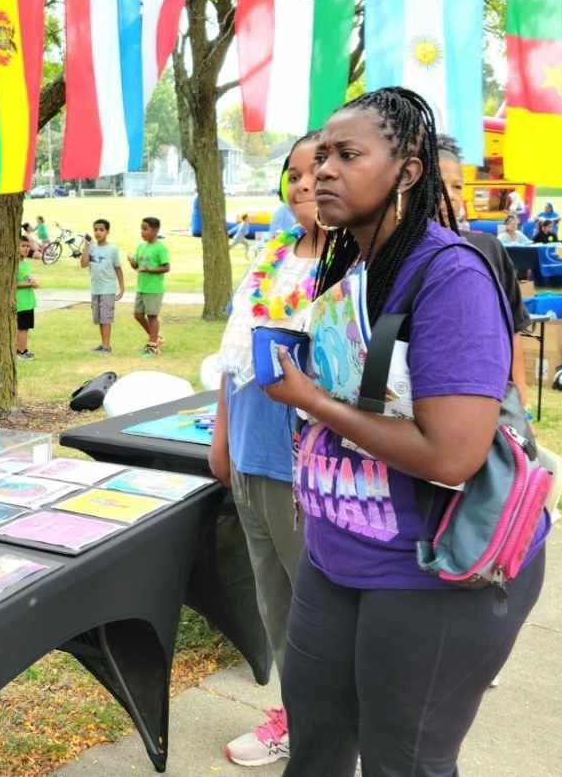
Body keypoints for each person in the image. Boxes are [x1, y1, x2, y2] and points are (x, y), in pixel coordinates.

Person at [262, 87, 545, 775]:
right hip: (336, 554)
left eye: (346, 155)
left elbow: (451, 456)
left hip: (430, 572)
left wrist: (309, 400)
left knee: (403, 763)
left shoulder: (449, 275)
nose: (321, 170)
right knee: (316, 750)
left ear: (408, 170)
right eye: (319, 155)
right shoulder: (343, 266)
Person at [209, 135, 322, 767]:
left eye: (321, 169)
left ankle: (332, 727)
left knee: (319, 608)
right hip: (251, 453)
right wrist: (223, 439)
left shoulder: (359, 266)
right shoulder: (273, 252)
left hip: (309, 469)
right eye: (295, 173)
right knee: (275, 603)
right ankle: (293, 712)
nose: (305, 183)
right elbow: (234, 357)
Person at [437, 136, 534, 410]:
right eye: (439, 184)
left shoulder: (487, 248)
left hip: (488, 403)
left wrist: (522, 404)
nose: (451, 195)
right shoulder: (396, 253)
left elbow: (512, 330)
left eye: (457, 186)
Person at [80, 218, 124, 353]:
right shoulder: (91, 247)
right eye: (95, 230)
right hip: (95, 288)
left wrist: (121, 288)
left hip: (108, 288)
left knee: (106, 319)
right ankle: (103, 344)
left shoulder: (113, 249)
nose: (98, 232)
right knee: (99, 319)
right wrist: (86, 246)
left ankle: (106, 346)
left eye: (101, 230)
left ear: (107, 231)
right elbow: (83, 264)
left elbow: (118, 268)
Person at [129, 216, 169, 355]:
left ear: (155, 230)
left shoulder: (160, 248)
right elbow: (137, 266)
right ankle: (156, 337)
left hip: (154, 288)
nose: (142, 232)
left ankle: (153, 346)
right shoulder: (141, 246)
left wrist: (149, 270)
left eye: (145, 229)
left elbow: (166, 267)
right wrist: (132, 261)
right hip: (141, 287)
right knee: (138, 315)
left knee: (152, 316)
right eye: (141, 228)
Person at [15, 238, 39, 360]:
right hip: (20, 302)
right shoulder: (15, 265)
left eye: (27, 246)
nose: (26, 248)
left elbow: (27, 278)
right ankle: (20, 352)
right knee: (22, 328)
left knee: (26, 328)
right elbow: (13, 284)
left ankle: (24, 349)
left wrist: (33, 282)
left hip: (28, 302)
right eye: (23, 246)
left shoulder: (25, 263)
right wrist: (30, 284)